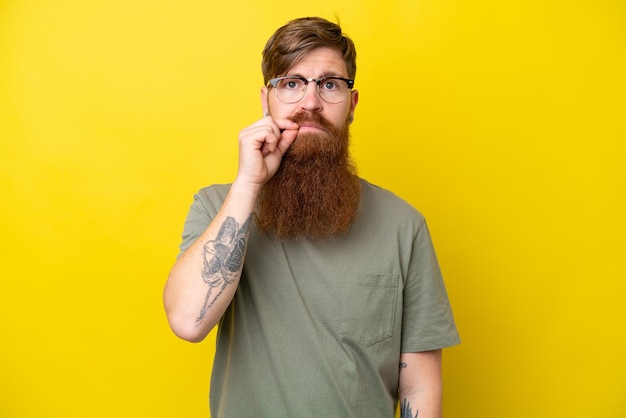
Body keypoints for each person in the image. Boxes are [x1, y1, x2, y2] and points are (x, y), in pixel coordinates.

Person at [163, 16, 460, 418]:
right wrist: (248, 184)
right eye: (291, 83)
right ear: (266, 101)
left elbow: (420, 385)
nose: (310, 103)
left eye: (330, 84)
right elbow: (187, 321)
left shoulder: (403, 226)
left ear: (351, 106)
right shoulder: (218, 206)